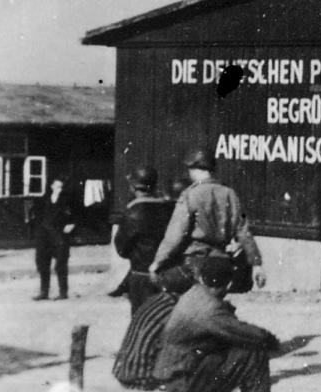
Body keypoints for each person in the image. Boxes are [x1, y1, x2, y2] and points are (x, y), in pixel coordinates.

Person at [148, 148, 266, 293]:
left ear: (195, 168)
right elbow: (244, 232)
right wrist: (257, 264)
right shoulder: (229, 194)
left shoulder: (190, 195)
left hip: (195, 264)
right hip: (222, 265)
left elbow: (175, 235)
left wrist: (157, 263)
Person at [154, 257, 279, 392]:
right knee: (253, 353)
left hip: (172, 372)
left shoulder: (195, 292)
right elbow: (249, 334)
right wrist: (271, 340)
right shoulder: (212, 310)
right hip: (182, 382)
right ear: (229, 284)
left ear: (202, 278)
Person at [115, 166, 176, 314]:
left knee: (142, 322)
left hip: (141, 277)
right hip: (167, 273)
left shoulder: (132, 212)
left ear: (134, 187)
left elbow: (122, 249)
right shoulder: (169, 207)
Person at [26, 176, 76, 300]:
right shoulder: (43, 200)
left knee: (60, 265)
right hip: (44, 235)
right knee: (43, 264)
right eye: (57, 186)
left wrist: (72, 224)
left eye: (61, 187)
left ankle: (63, 293)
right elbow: (35, 214)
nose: (59, 189)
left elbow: (76, 214)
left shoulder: (67, 200)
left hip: (59, 235)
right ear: (52, 186)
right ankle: (44, 292)